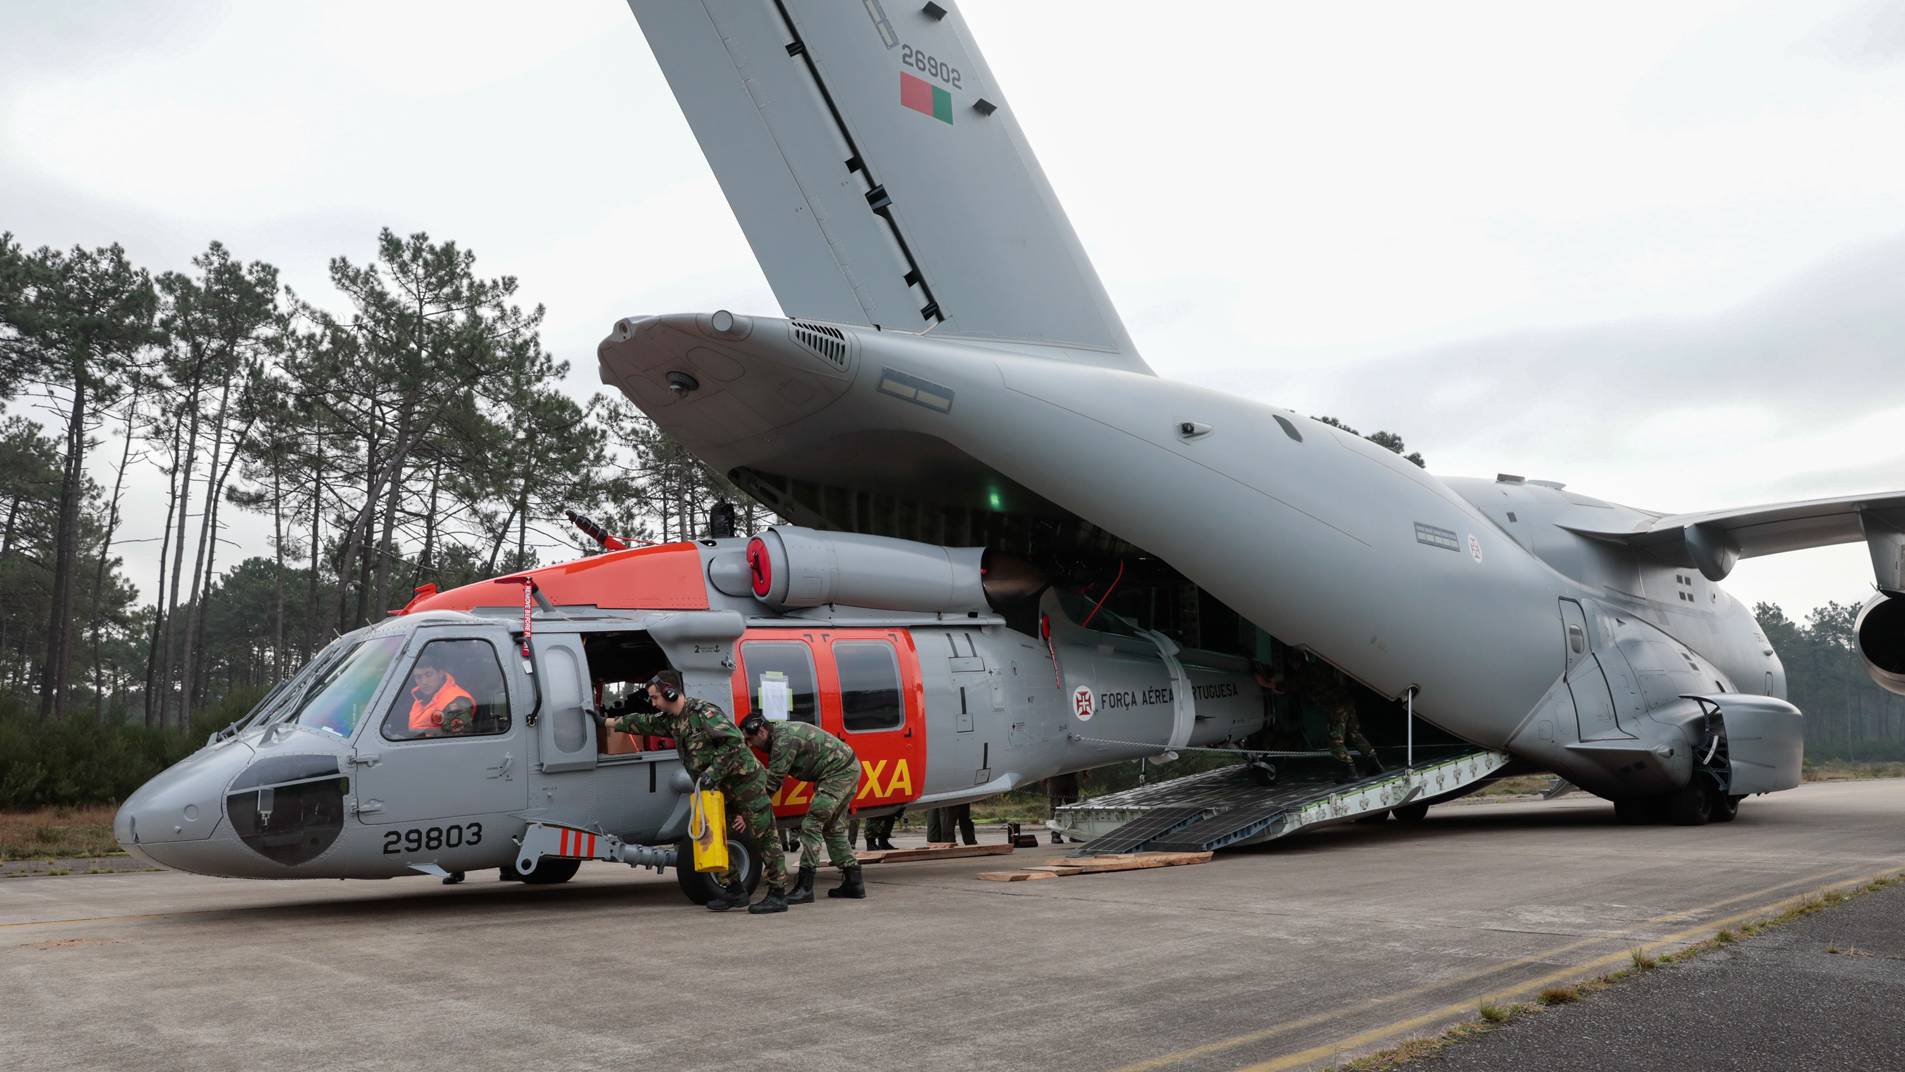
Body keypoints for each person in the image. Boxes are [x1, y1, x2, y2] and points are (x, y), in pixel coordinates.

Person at [611, 671, 789, 914]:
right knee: (712, 836)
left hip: (744, 782)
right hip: (717, 789)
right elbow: (644, 723)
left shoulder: (704, 712)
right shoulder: (673, 720)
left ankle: (778, 893)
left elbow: (734, 742)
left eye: (655, 698)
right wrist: (606, 722)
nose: (653, 703)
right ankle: (734, 890)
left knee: (764, 834)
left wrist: (713, 772)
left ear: (669, 693)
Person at [741, 713, 866, 902]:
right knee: (832, 828)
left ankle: (805, 887)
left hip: (839, 772)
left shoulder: (783, 741)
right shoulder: (779, 734)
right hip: (846, 768)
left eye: (750, 739)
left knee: (811, 824)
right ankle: (854, 882)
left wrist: (748, 812)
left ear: (762, 730)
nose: (749, 745)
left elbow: (773, 782)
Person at [1293, 654, 1382, 782]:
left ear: (1294, 662)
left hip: (1336, 706)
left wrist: (1272, 685)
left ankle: (1350, 771)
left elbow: (1290, 685)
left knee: (1335, 740)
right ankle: (1375, 764)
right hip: (1346, 701)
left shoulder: (1304, 673)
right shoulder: (1316, 667)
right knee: (1354, 734)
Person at [405, 654, 475, 735]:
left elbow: (457, 740)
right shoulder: (419, 698)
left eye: (428, 675)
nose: (424, 682)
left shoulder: (456, 700)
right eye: (418, 677)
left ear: (440, 674)